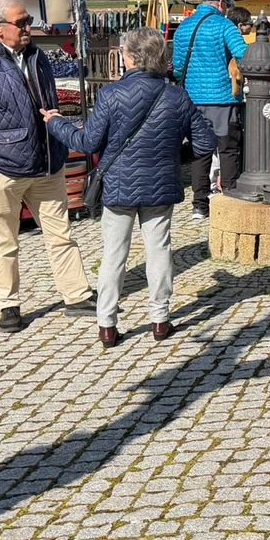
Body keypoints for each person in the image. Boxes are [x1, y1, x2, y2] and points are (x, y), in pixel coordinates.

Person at [43, 29, 217, 347]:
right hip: (160, 185)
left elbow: (87, 142)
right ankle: (160, 320)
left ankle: (107, 325)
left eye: (124, 52)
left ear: (132, 57)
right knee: (159, 250)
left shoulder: (111, 95)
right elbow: (206, 142)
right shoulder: (177, 95)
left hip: (119, 185)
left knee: (113, 255)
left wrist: (55, 123)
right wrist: (172, 157)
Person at [0, 0, 96, 332]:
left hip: (48, 165)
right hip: (4, 170)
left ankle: (76, 295)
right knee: (5, 242)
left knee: (61, 235)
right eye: (22, 23)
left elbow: (50, 104)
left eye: (28, 20)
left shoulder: (38, 57)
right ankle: (8, 305)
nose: (29, 27)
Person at [172, 0, 249, 222]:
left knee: (199, 152)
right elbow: (244, 55)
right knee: (227, 150)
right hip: (223, 99)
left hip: (192, 101)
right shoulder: (225, 26)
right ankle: (231, 199)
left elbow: (176, 68)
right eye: (227, 5)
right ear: (220, 3)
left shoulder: (183, 28)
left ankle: (199, 206)